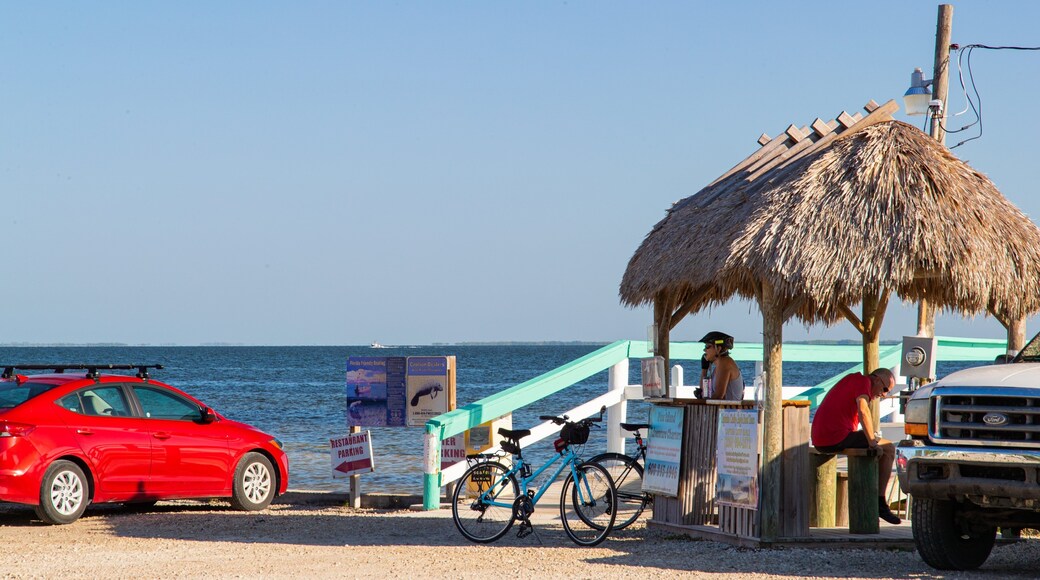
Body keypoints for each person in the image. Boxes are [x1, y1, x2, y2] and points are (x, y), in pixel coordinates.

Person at [811, 367, 901, 525]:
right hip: (835, 437)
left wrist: (871, 439)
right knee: (889, 449)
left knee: (875, 444)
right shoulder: (863, 381)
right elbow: (863, 409)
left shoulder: (852, 380)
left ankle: (876, 499)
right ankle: (880, 503)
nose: (884, 395)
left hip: (822, 438)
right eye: (885, 389)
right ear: (876, 379)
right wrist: (872, 441)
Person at [697, 331, 744, 401]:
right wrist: (704, 369)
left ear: (718, 348)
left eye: (707, 346)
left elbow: (718, 395)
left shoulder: (725, 362)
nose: (704, 350)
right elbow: (704, 392)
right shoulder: (718, 367)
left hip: (728, 408)